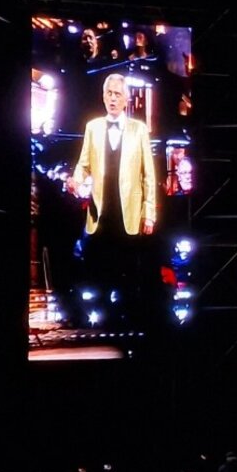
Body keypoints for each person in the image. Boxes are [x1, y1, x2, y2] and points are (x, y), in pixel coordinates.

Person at [67, 73, 158, 326]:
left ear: (126, 98)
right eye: (109, 93)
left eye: (118, 94)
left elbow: (148, 174)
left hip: (129, 211)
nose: (113, 98)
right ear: (103, 96)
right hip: (100, 210)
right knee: (100, 266)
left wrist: (149, 212)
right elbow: (83, 164)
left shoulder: (139, 129)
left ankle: (129, 318)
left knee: (129, 267)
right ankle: (102, 319)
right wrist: (75, 180)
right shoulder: (93, 127)